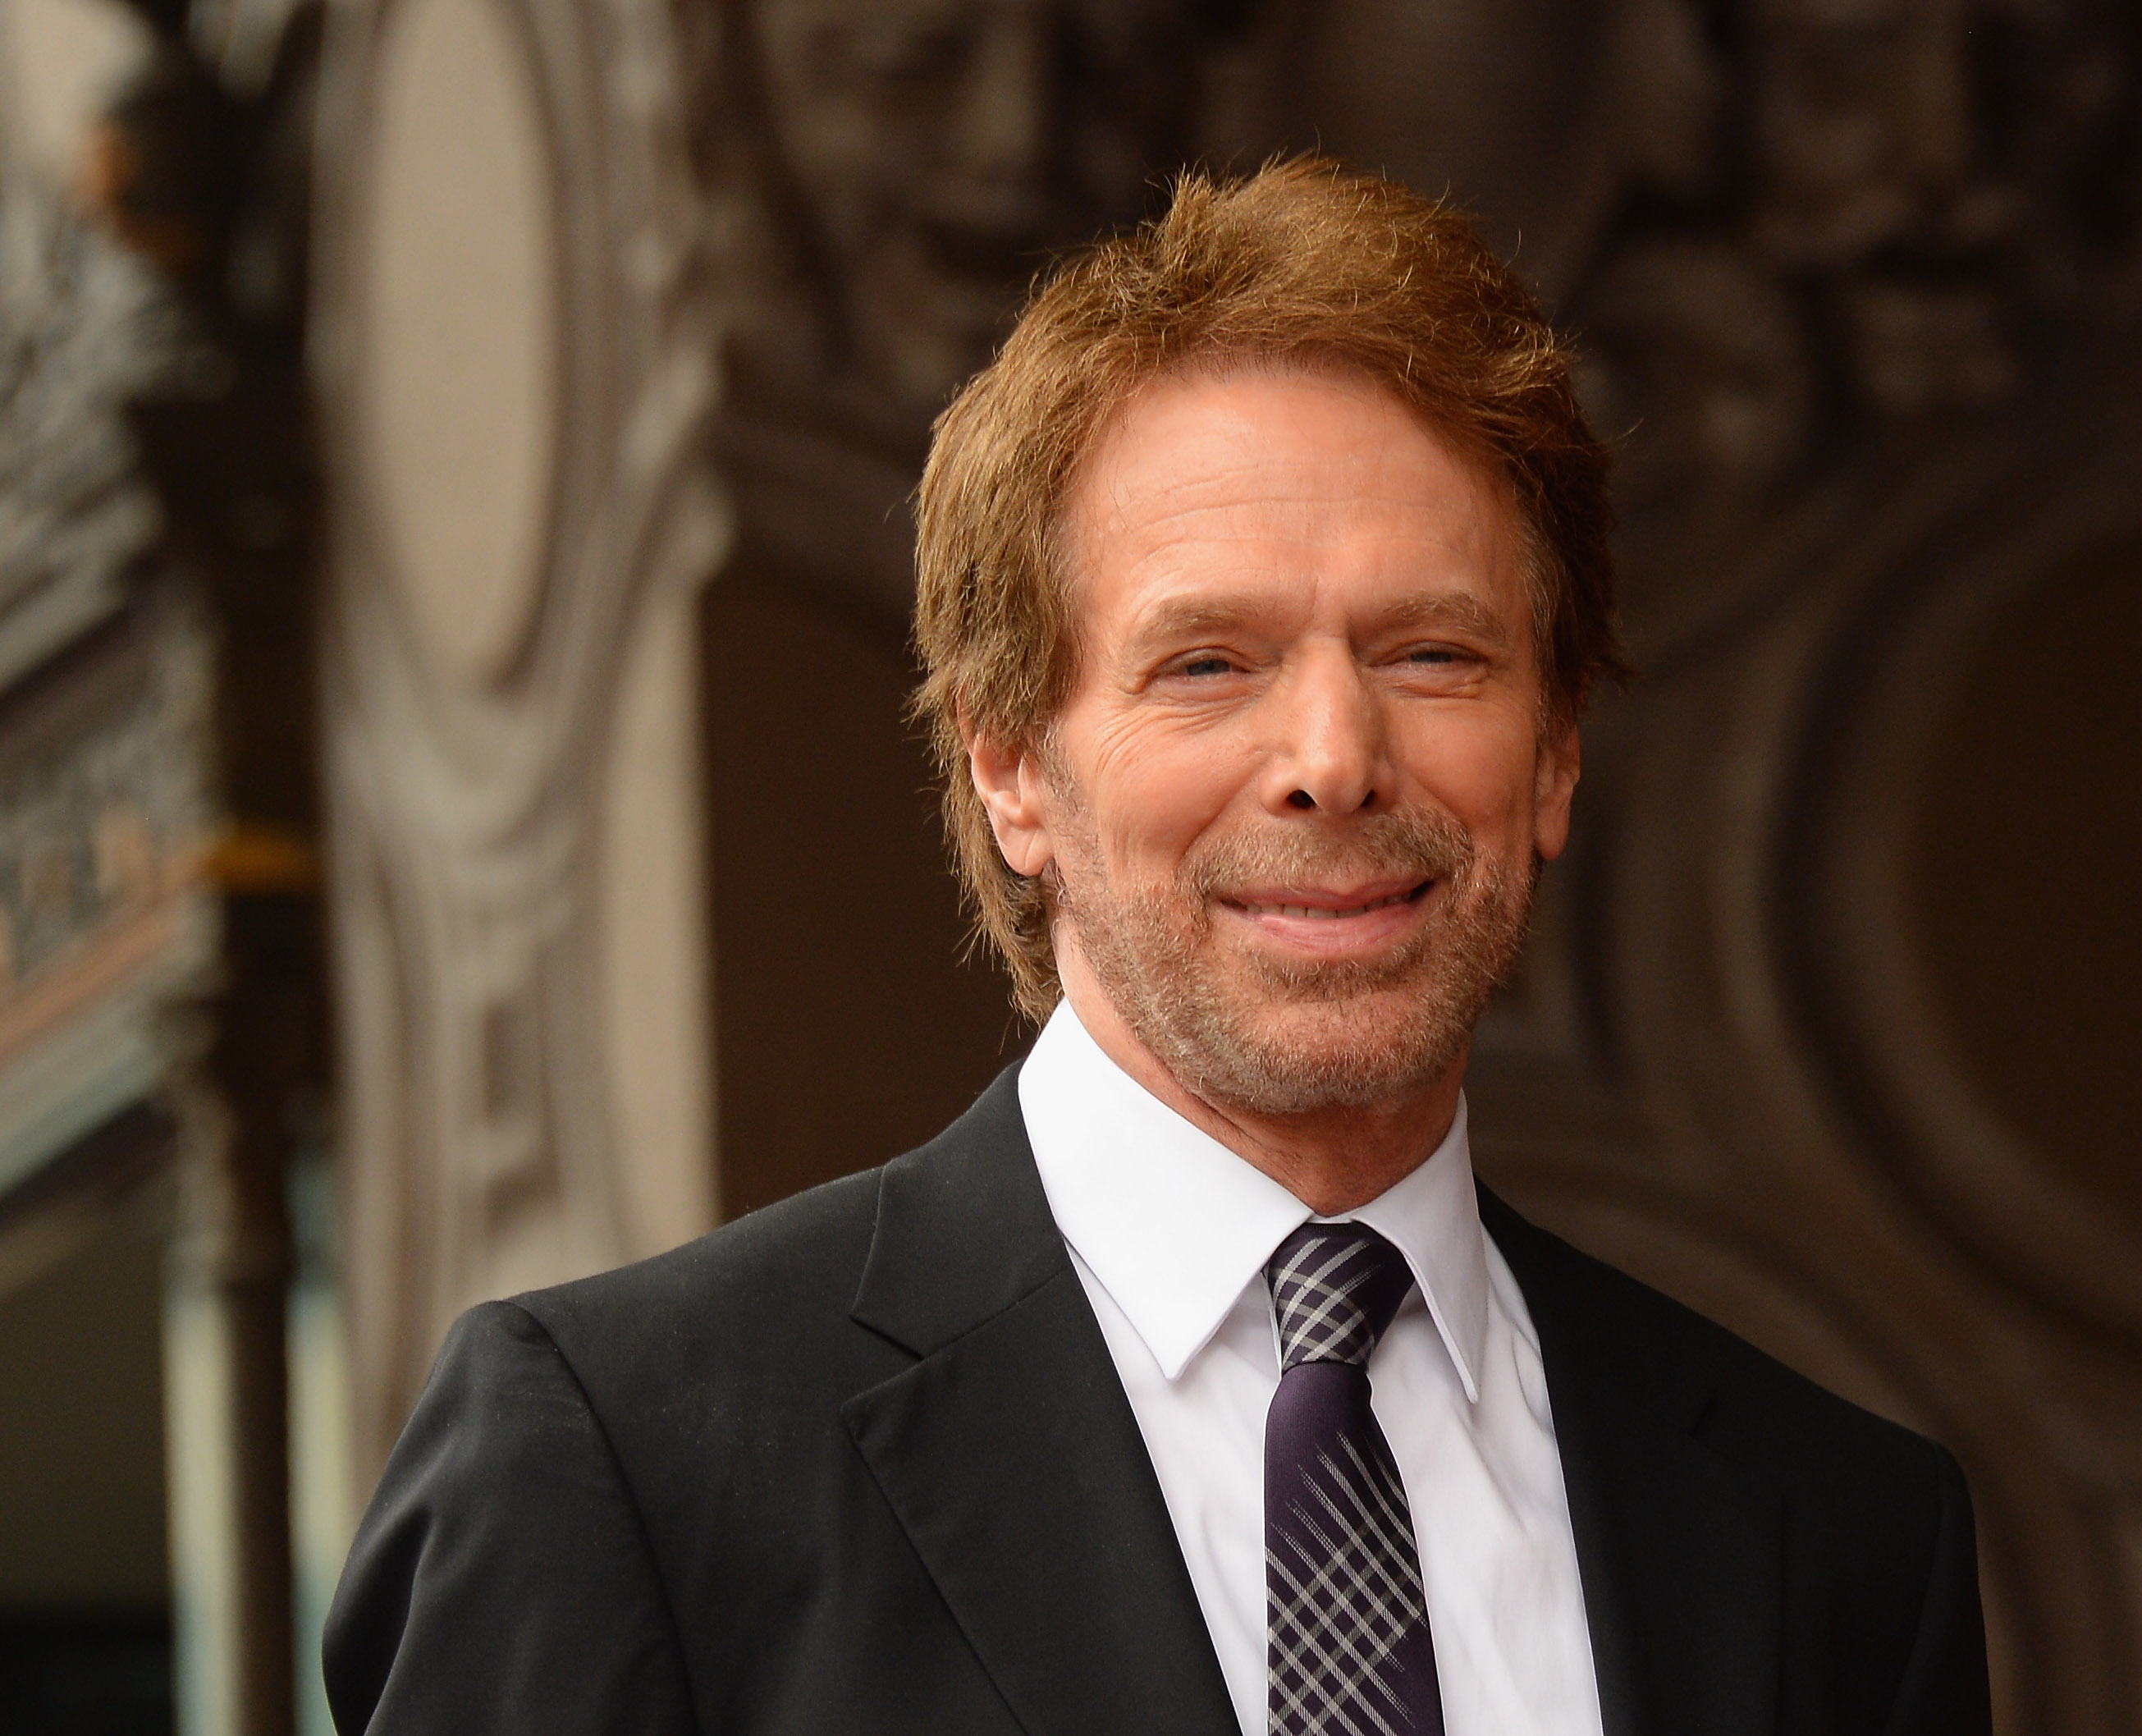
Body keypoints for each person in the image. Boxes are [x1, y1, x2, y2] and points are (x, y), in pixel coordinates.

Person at [323, 158, 1992, 1736]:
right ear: (1009, 765)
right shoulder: (624, 1466)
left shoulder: (1830, 1531)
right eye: (1207, 662)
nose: (1334, 753)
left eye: (1432, 650)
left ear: (1553, 753)